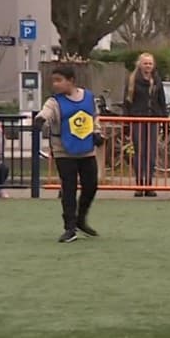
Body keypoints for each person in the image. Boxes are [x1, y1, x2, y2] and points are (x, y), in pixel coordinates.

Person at [33, 65, 103, 243]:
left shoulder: (88, 97)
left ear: (71, 80)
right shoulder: (54, 101)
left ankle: (81, 218)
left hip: (86, 150)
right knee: (69, 189)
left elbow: (94, 116)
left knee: (91, 185)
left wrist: (97, 132)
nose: (55, 84)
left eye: (59, 80)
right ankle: (69, 227)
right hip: (64, 151)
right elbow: (46, 113)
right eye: (53, 80)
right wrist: (40, 120)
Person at [123, 52, 167, 197]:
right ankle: (139, 184)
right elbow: (127, 102)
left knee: (151, 153)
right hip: (137, 119)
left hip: (153, 119)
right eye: (145, 63)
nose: (148, 66)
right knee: (139, 152)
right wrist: (126, 123)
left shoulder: (157, 80)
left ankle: (149, 184)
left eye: (150, 63)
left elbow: (162, 101)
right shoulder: (132, 80)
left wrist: (164, 120)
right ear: (140, 64)